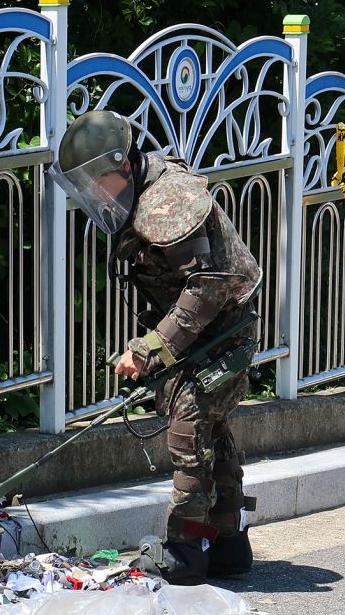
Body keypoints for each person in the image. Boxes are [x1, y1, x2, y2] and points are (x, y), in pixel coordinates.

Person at [51, 110, 262, 585]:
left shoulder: (167, 201)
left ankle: (184, 552)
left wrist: (149, 348)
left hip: (223, 330)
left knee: (189, 435)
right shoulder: (140, 191)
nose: (95, 193)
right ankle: (229, 544)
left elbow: (207, 288)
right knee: (210, 431)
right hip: (207, 330)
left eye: (96, 181)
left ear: (123, 165)